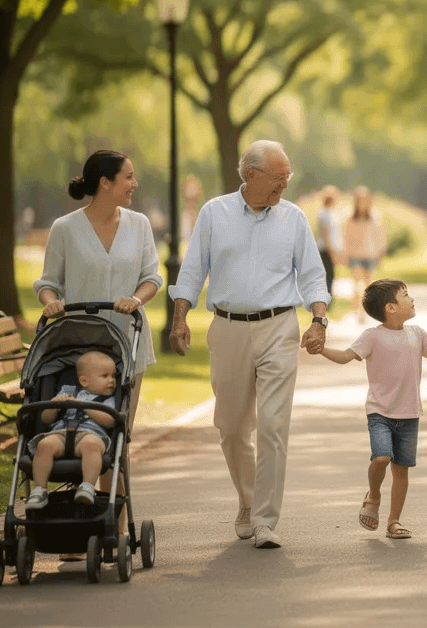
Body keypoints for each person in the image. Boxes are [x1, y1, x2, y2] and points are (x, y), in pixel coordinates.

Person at [168, 139, 330, 550]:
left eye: (288, 177)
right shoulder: (214, 214)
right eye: (279, 177)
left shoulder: (293, 218)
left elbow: (312, 273)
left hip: (279, 327)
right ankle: (248, 499)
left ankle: (264, 521)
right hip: (228, 328)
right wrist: (180, 317)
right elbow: (192, 270)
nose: (285, 185)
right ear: (251, 175)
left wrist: (319, 318)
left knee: (273, 425)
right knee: (232, 427)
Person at [312, 279, 427, 540]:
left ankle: (394, 521)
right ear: (390, 307)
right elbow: (345, 356)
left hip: (409, 414)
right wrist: (321, 350)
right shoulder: (372, 336)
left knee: (401, 469)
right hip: (380, 413)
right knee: (381, 458)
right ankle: (373, 494)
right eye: (406, 295)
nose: (411, 299)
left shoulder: (417, 333)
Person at [35, 149, 161, 430]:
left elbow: (152, 278)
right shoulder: (64, 228)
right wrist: (51, 302)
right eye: (128, 177)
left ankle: (113, 477)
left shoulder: (139, 225)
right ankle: (86, 476)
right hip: (81, 345)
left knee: (120, 431)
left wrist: (135, 300)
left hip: (129, 341)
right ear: (106, 182)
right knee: (79, 426)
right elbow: (48, 284)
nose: (135, 183)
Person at [24, 351, 118, 509]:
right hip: (60, 432)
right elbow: (46, 419)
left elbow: (110, 421)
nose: (112, 381)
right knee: (44, 445)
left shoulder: (107, 400)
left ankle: (87, 487)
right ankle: (40, 490)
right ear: (84, 381)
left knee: (92, 444)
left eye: (114, 376)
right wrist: (54, 404)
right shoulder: (67, 391)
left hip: (90, 434)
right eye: (105, 376)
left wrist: (85, 407)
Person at [344, 186, 387, 323]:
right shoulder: (350, 217)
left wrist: (381, 252)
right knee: (357, 285)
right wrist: (345, 254)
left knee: (369, 286)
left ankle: (367, 311)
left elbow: (379, 236)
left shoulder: (374, 216)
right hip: (355, 255)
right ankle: (358, 312)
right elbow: (346, 237)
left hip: (370, 254)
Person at [316, 186, 344, 295]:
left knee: (331, 275)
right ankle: (326, 299)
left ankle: (329, 298)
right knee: (327, 275)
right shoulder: (323, 213)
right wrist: (332, 252)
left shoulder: (334, 212)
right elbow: (325, 235)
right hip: (325, 249)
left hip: (332, 249)